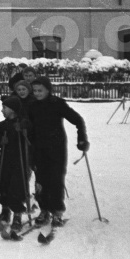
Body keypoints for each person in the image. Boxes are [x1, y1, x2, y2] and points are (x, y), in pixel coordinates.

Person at [28, 76, 88, 227]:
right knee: (40, 180)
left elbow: (77, 120)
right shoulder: (32, 105)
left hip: (56, 147)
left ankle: (57, 211)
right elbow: (29, 125)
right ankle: (44, 209)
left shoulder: (57, 104)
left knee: (55, 179)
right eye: (35, 91)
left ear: (48, 90)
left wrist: (81, 139)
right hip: (38, 147)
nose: (37, 93)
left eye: (40, 90)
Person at [0, 96, 32, 236]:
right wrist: (0, 140)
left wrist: (23, 130)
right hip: (5, 159)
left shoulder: (23, 123)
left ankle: (17, 213)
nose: (2, 110)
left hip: (19, 160)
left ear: (13, 109)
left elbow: (30, 139)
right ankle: (5, 210)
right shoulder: (2, 125)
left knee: (17, 187)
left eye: (4, 108)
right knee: (3, 184)